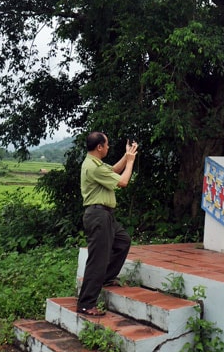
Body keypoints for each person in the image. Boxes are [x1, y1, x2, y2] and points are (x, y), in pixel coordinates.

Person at [76, 131, 138, 316]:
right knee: (98, 260)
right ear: (99, 147)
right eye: (107, 144)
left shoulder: (95, 163)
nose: (109, 147)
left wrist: (126, 157)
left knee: (122, 241)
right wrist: (131, 161)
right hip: (98, 215)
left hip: (105, 215)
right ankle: (86, 304)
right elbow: (123, 181)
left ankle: (107, 277)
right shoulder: (93, 167)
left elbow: (112, 171)